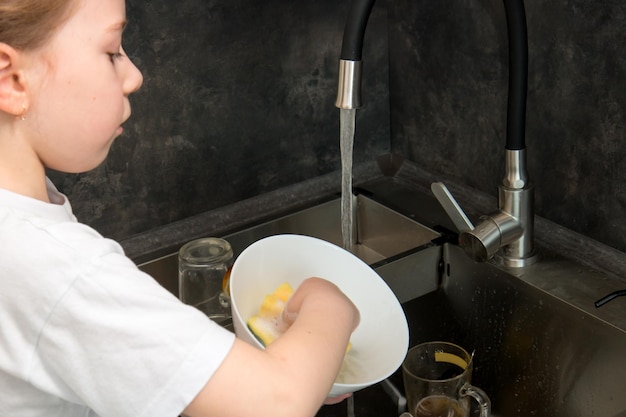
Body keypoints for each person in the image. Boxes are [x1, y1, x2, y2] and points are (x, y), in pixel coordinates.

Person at [0, 1, 360, 416]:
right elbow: (278, 404)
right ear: (12, 80)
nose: (134, 75)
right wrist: (331, 304)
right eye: (113, 51)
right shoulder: (57, 267)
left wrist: (289, 365)